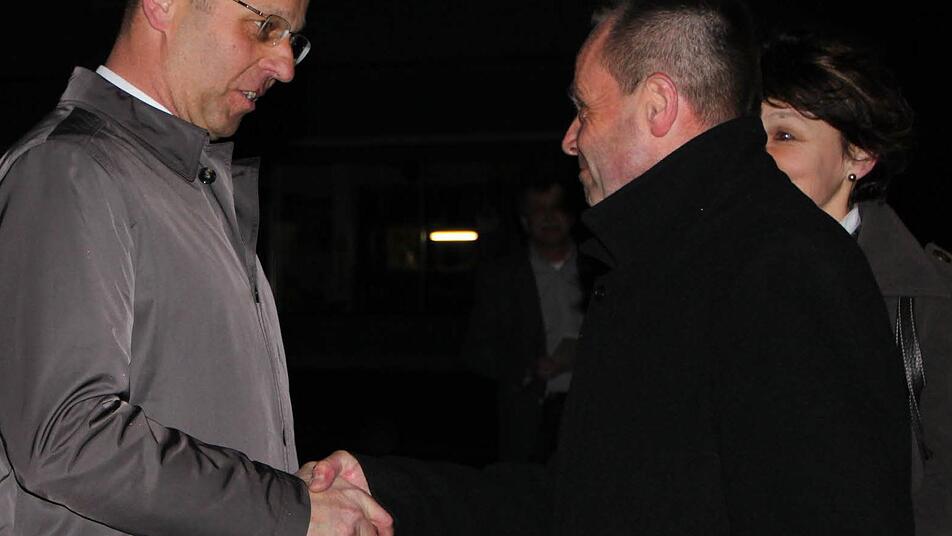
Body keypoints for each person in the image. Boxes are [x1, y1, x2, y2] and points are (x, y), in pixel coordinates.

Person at [306, 1, 914, 534]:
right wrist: (382, 491)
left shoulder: (783, 266)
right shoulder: (652, 266)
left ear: (656, 104)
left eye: (584, 109)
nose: (571, 139)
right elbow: (578, 505)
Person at [0, 0, 392, 534]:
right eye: (265, 28)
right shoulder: (71, 167)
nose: (285, 66)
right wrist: (288, 511)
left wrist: (288, 491)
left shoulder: (190, 180)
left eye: (291, 39)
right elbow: (64, 439)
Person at [760, 31, 952, 535]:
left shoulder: (926, 303)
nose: (756, 158)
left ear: (858, 157)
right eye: (748, 137)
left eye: (784, 135)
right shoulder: (718, 280)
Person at [463, 178, 588, 463]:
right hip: (532, 418)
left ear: (570, 216)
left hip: (594, 410)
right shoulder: (501, 277)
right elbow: (476, 351)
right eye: (537, 210)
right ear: (524, 220)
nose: (547, 217)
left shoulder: (599, 267)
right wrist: (528, 367)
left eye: (555, 208)